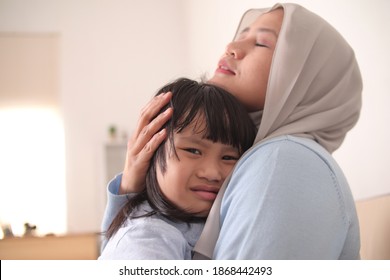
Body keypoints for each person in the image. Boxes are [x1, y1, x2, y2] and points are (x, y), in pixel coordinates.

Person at [102, 3, 362, 259]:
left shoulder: (283, 160)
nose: (231, 47)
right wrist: (133, 190)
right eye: (240, 36)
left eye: (261, 43)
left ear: (304, 77)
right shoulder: (264, 154)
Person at [99, 78, 256, 259]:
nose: (212, 173)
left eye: (229, 157)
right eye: (193, 151)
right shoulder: (147, 239)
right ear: (150, 150)